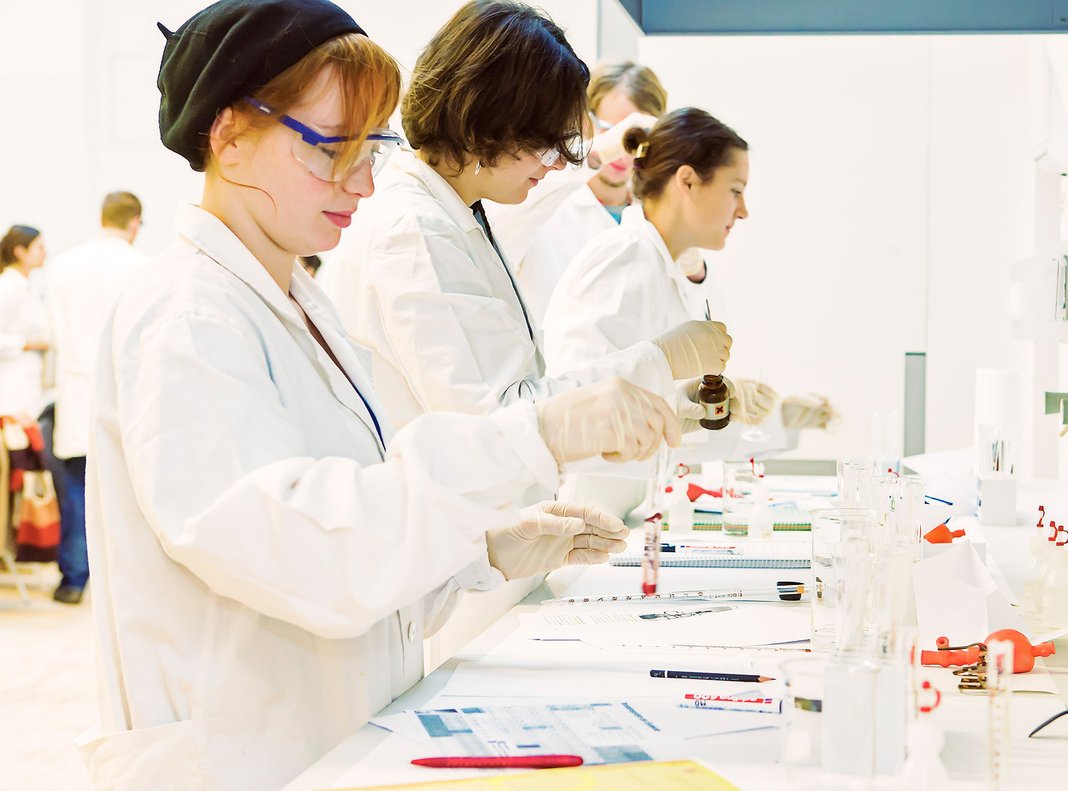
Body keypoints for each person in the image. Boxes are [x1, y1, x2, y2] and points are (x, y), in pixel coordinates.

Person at [81, 2, 680, 787]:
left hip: (323, 739)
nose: (364, 179)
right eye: (335, 149)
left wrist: (482, 550)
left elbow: (359, 526)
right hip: (238, 759)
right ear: (230, 136)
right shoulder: (186, 316)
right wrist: (532, 432)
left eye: (376, 146)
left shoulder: (298, 300)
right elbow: (306, 553)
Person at [327, 2, 729, 436]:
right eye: (546, 141)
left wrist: (663, 406)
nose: (558, 165)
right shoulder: (415, 235)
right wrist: (657, 362)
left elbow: (522, 394)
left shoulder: (461, 212)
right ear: (489, 120)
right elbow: (498, 423)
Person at [544, 108, 837, 465]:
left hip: (636, 498)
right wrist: (669, 377)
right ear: (687, 181)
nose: (743, 210)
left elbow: (667, 425)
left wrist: (715, 406)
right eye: (735, 191)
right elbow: (571, 406)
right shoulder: (625, 257)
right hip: (590, 501)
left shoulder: (666, 266)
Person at [486, 61, 670, 317]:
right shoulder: (543, 197)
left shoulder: (654, 215)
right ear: (585, 121)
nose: (623, 153)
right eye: (609, 129)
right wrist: (599, 151)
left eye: (635, 138)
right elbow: (499, 230)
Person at [43, 192, 148, 604]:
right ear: (135, 223)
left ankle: (73, 579)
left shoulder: (63, 266)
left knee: (74, 489)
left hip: (75, 391)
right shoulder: (143, 267)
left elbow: (54, 333)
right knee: (128, 492)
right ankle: (125, 582)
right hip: (126, 391)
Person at [0, 226, 51, 421]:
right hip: (11, 391)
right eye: (39, 247)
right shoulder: (7, 287)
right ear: (20, 251)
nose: (45, 253)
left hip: (29, 389)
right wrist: (27, 343)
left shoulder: (28, 288)